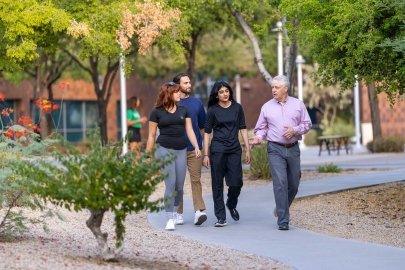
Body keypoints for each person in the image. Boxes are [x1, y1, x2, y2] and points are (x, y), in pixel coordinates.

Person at [250, 75, 312, 231]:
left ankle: (280, 208)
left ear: (285, 88)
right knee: (280, 184)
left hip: (293, 148)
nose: (273, 90)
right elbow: (261, 128)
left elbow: (307, 123)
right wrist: (258, 137)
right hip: (275, 148)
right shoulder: (267, 107)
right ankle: (283, 220)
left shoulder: (298, 104)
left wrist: (295, 130)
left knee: (294, 183)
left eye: (276, 87)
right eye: (272, 87)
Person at [146, 82, 201, 231]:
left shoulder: (184, 110)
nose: (179, 94)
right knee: (170, 183)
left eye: (179, 91)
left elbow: (189, 130)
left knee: (179, 186)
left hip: (181, 149)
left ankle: (175, 210)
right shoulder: (156, 112)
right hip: (164, 148)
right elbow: (151, 135)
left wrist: (196, 146)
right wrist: (148, 154)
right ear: (169, 94)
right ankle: (169, 218)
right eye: (176, 92)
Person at [202, 81, 251, 227]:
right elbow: (207, 133)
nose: (225, 94)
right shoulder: (212, 110)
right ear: (216, 95)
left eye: (227, 91)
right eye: (222, 92)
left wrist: (248, 148)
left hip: (234, 149)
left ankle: (231, 203)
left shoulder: (237, 108)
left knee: (236, 182)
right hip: (217, 150)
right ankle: (221, 217)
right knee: (217, 184)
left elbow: (243, 128)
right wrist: (206, 154)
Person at [172, 73, 208, 226]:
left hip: (194, 150)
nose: (189, 85)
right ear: (178, 85)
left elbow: (202, 128)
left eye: (189, 82)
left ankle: (199, 211)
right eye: (185, 83)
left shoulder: (197, 103)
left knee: (196, 180)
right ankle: (177, 212)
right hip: (176, 149)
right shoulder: (171, 103)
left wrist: (201, 148)